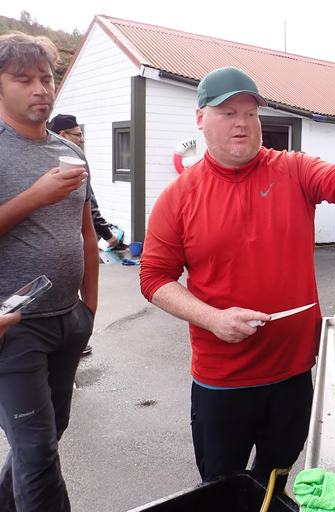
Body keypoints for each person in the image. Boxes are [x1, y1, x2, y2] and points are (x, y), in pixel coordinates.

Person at [138, 66, 335, 492]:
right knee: (221, 488)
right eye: (228, 112)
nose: (242, 123)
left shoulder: (292, 171)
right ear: (200, 119)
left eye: (250, 114)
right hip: (221, 380)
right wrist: (212, 318)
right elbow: (154, 277)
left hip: (292, 374)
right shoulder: (178, 197)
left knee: (275, 479)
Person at [0, 33, 99, 511]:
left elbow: (86, 233)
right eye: (24, 79)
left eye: (47, 77)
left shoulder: (71, 153)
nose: (41, 88)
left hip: (69, 319)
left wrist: (90, 308)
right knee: (38, 451)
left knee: (47, 434)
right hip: (15, 329)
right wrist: (34, 196)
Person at [50, 113, 119, 248]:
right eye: (78, 135)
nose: (82, 140)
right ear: (63, 135)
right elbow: (89, 205)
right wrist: (108, 235)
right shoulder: (71, 165)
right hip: (69, 244)